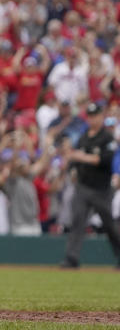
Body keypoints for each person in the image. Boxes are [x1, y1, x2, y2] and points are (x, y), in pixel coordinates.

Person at [61, 103, 120, 269]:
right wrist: (73, 169)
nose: (93, 119)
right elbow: (74, 159)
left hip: (101, 189)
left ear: (101, 116)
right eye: (90, 116)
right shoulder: (83, 137)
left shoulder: (106, 138)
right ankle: (71, 258)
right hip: (83, 186)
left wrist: (82, 157)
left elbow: (105, 160)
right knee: (77, 222)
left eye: (95, 115)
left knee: (109, 225)